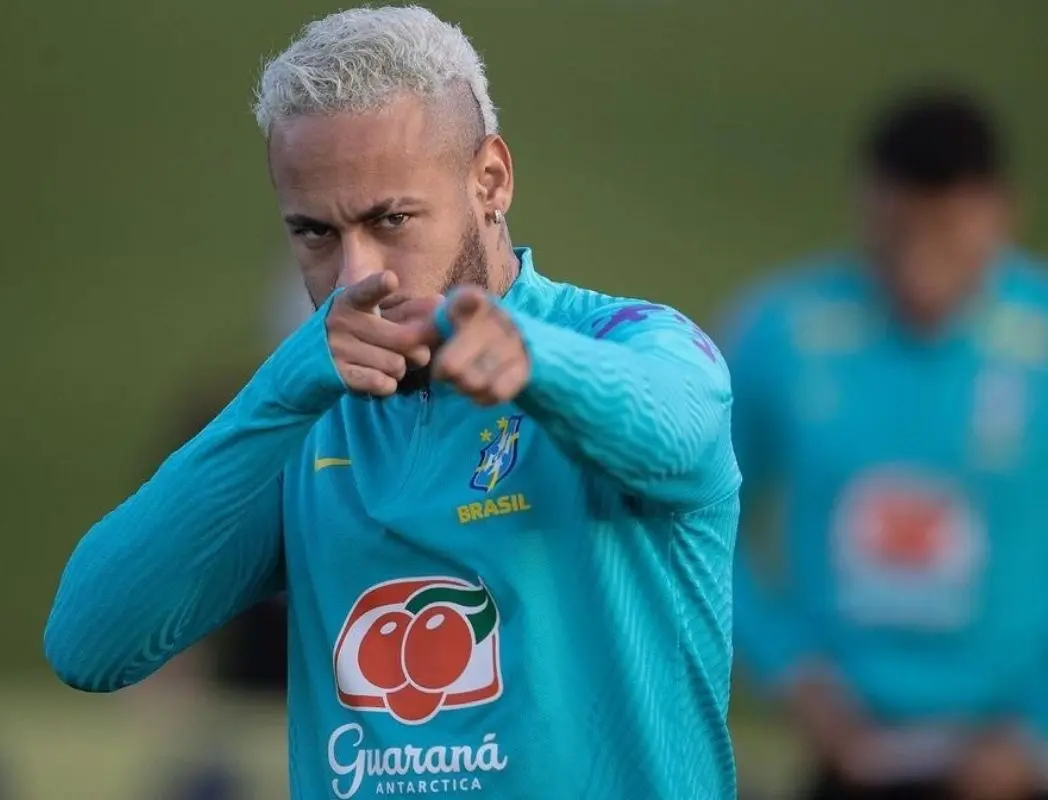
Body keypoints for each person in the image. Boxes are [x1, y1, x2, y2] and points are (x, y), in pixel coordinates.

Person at [43, 6, 740, 799]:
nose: (355, 278)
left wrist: (535, 362)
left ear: (490, 181)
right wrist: (276, 392)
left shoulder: (625, 341)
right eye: (315, 234)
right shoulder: (306, 421)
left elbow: (679, 426)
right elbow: (90, 644)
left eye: (392, 220)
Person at [724, 88, 1048, 800]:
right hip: (852, 747)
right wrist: (790, 669)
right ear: (867, 204)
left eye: (947, 231)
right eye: (900, 230)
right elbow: (702, 518)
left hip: (1010, 753)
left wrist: (1036, 726)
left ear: (999, 213)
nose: (919, 262)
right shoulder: (783, 332)